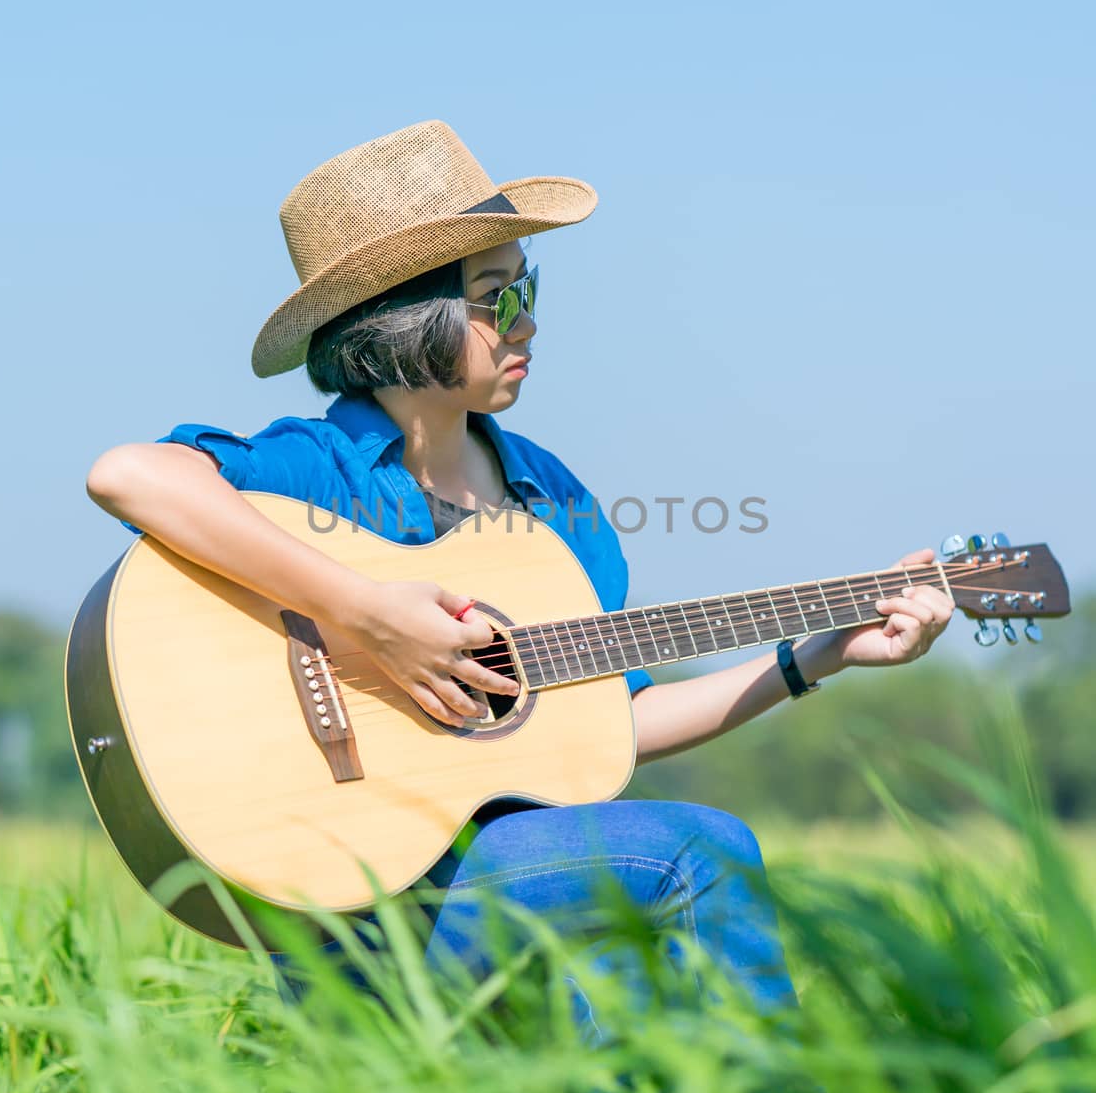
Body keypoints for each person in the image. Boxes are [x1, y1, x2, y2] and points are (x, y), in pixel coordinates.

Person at [86, 119, 954, 1024]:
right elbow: (129, 475)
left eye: (526, 288)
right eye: (496, 297)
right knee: (705, 852)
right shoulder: (319, 468)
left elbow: (607, 721)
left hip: (507, 874)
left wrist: (813, 658)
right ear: (408, 316)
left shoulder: (550, 503)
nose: (527, 322)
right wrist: (365, 613)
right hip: (349, 885)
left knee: (614, 967)